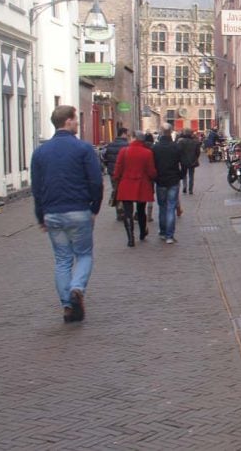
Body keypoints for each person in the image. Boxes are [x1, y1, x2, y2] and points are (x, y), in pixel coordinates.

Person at [31, 105, 103, 323]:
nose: (78, 124)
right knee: (84, 254)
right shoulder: (83, 149)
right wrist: (94, 208)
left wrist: (40, 215)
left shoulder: (40, 152)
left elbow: (37, 187)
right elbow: (96, 181)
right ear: (69, 121)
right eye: (76, 120)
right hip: (79, 210)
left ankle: (67, 306)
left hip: (52, 213)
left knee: (62, 259)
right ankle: (77, 288)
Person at [113, 131, 157, 247]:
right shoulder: (147, 153)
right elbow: (151, 171)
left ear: (133, 138)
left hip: (126, 184)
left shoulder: (124, 151)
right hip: (142, 185)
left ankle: (130, 238)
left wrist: (116, 179)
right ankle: (142, 233)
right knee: (141, 210)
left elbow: (118, 169)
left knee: (128, 212)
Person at [152, 123, 185, 244]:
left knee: (162, 207)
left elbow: (152, 165)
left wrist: (154, 177)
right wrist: (181, 175)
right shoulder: (175, 147)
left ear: (161, 132)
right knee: (171, 207)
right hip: (173, 180)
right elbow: (183, 163)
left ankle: (162, 232)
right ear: (171, 132)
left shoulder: (155, 148)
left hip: (160, 181)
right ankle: (170, 236)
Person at [102, 127, 130, 221]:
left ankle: (119, 213)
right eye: (127, 134)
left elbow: (105, 158)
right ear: (123, 134)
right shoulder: (127, 145)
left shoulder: (110, 145)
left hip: (112, 172)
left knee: (116, 191)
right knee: (125, 192)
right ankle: (125, 212)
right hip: (124, 173)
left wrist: (109, 166)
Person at [176, 127, 201, 195]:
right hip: (192, 161)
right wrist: (196, 158)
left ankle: (184, 186)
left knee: (184, 174)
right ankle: (190, 189)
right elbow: (198, 152)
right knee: (191, 175)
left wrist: (179, 159)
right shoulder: (195, 142)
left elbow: (178, 151)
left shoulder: (181, 142)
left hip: (183, 161)